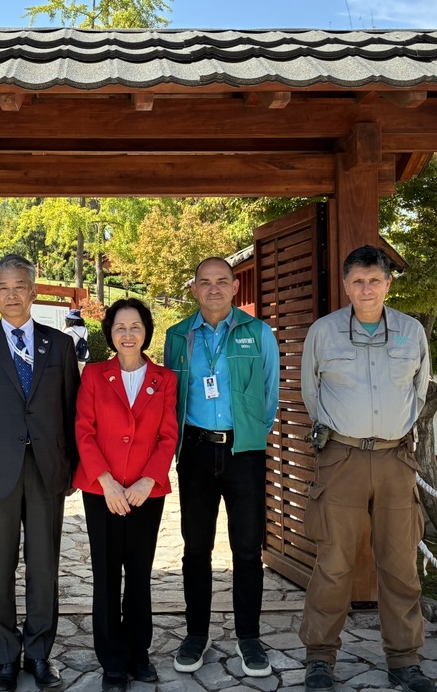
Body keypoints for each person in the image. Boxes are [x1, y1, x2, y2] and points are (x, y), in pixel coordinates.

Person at [298, 245, 432, 692]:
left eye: (375, 280)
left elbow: (419, 389)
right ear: (345, 285)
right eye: (358, 281)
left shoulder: (411, 332)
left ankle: (405, 660)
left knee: (399, 563)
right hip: (341, 458)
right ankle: (319, 657)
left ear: (389, 283)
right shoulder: (324, 332)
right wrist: (339, 436)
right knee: (333, 561)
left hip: (396, 459)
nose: (367, 288)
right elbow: (310, 391)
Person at [0, 254, 81, 692]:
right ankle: (6, 657)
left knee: (44, 566)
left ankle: (40, 654)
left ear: (34, 290)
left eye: (20, 286)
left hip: (47, 470)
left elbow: (71, 411)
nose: (12, 294)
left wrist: (73, 469)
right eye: (3, 287)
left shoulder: (59, 346)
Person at [163, 257, 280, 678]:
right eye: (205, 282)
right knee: (196, 549)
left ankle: (249, 637)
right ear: (193, 288)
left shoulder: (258, 333)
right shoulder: (178, 336)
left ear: (234, 288)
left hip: (243, 453)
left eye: (222, 282)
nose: (213, 289)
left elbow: (270, 393)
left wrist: (247, 435)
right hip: (194, 451)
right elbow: (171, 397)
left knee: (248, 550)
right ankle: (197, 633)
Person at [72, 298, 178, 692]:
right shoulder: (95, 375)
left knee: (138, 575)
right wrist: (107, 483)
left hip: (145, 493)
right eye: (120, 327)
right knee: (105, 576)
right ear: (110, 333)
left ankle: (139, 653)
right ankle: (112, 661)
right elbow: (83, 430)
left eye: (135, 327)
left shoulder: (164, 379)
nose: (128, 334)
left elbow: (168, 436)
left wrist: (148, 481)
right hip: (103, 492)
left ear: (146, 331)